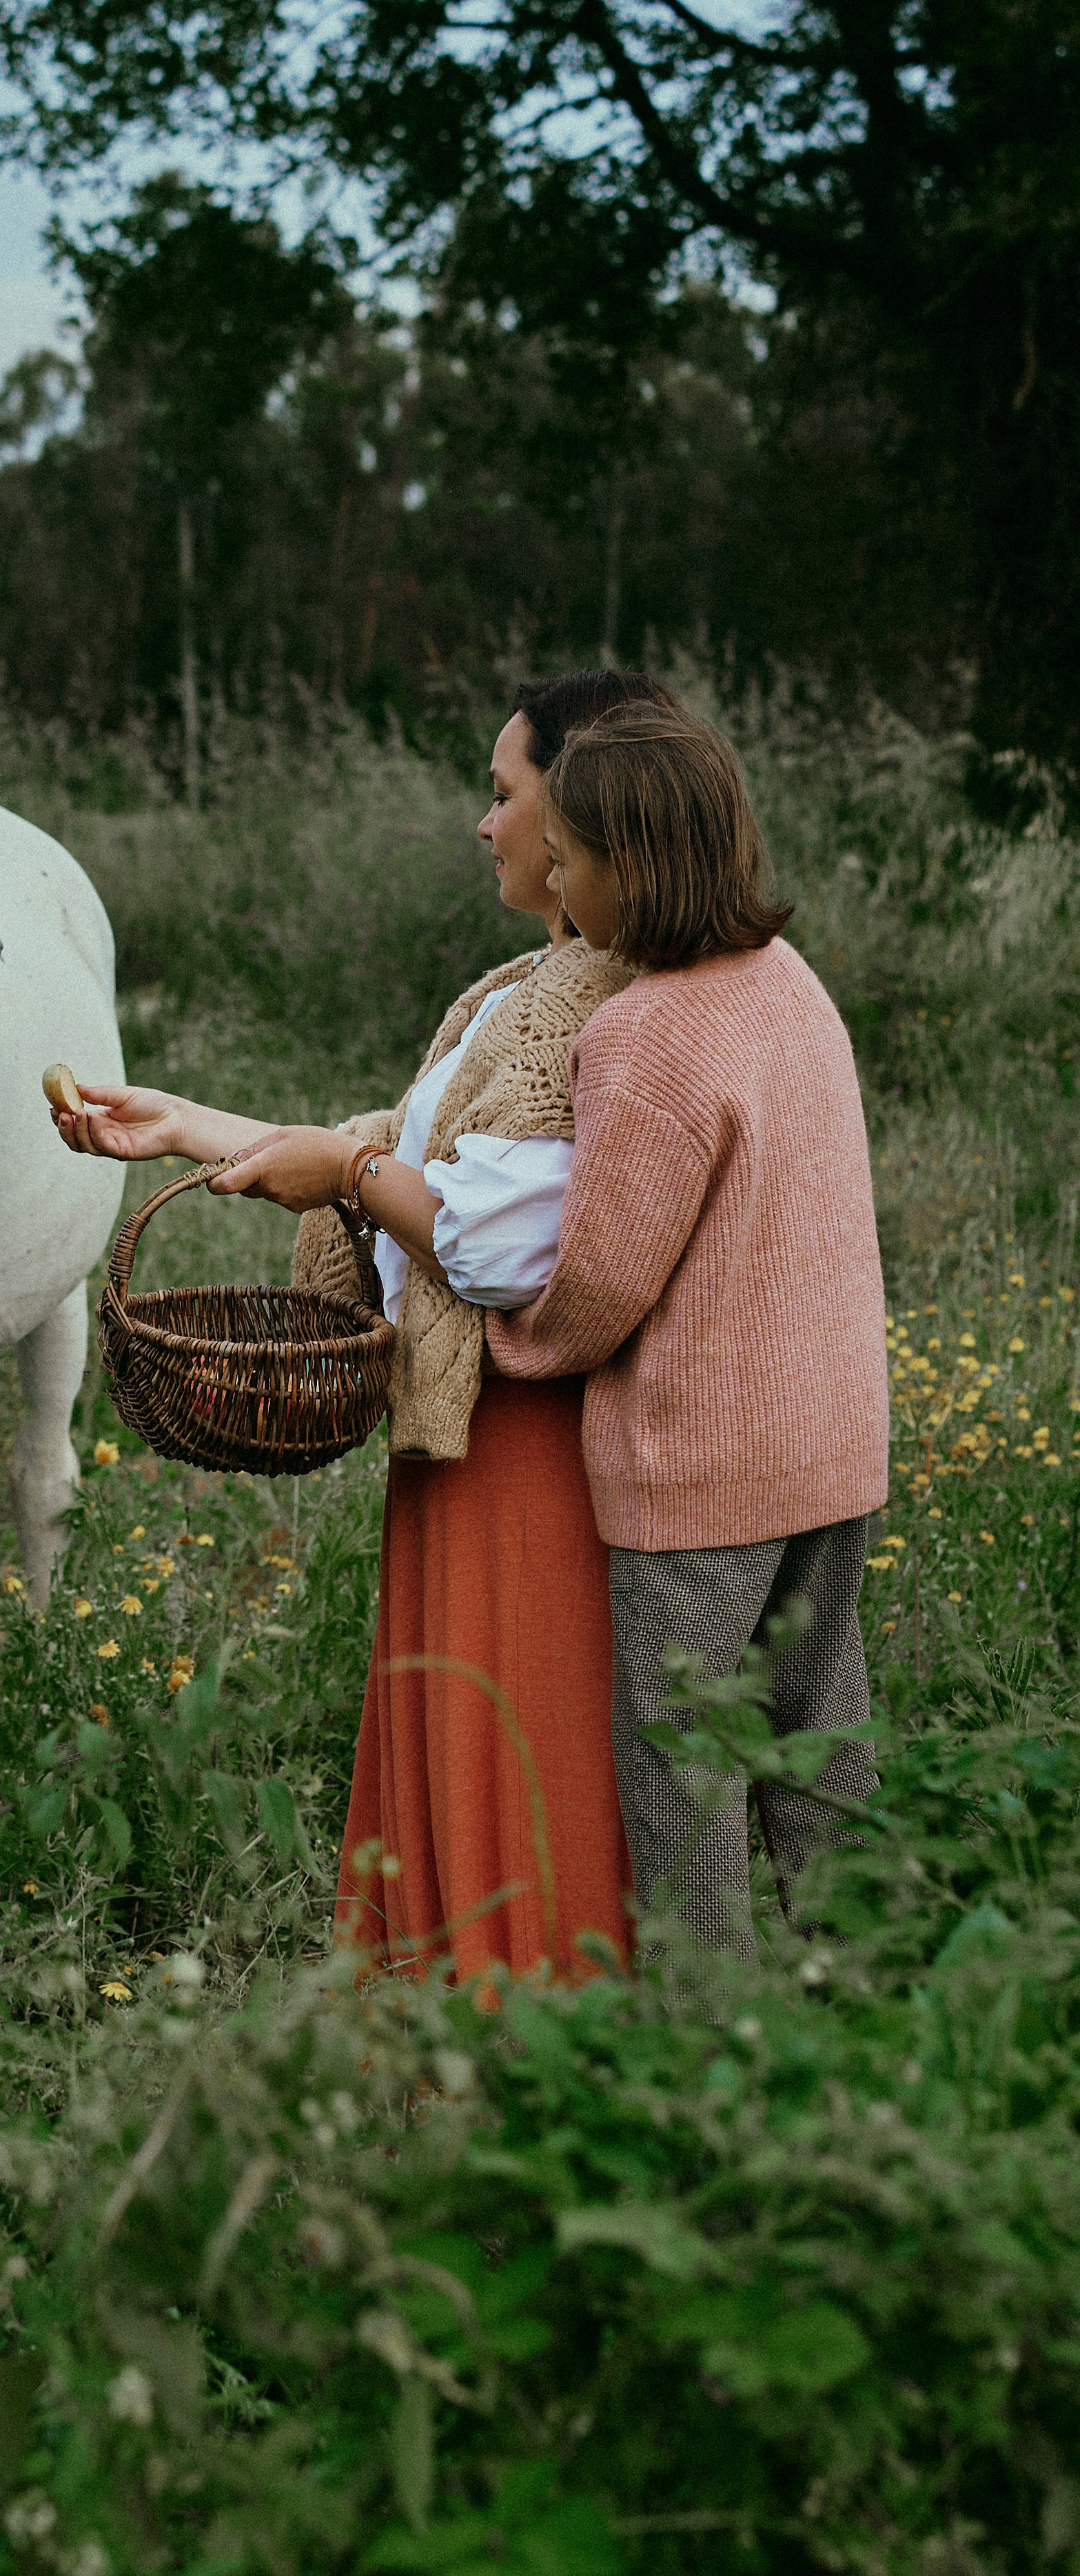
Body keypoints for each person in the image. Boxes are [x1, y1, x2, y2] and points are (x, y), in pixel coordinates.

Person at [50, 668, 672, 1986]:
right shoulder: (524, 986)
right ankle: (442, 2045)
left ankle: (521, 2048)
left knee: (516, 1747)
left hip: (523, 1446)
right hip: (464, 1436)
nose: (484, 824)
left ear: (576, 814)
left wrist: (341, 1173)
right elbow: (402, 1151)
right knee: (453, 1735)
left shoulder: (593, 1007)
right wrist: (187, 1125)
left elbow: (497, 1242)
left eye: (502, 794)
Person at [482, 701, 889, 1957]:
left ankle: (703, 2049)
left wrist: (513, 1343)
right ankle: (873, 1995)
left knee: (687, 1780)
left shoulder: (643, 1035)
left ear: (633, 867)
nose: (557, 883)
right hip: (834, 1450)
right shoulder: (788, 980)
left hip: (706, 1475)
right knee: (822, 1743)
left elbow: (600, 1291)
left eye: (572, 859)